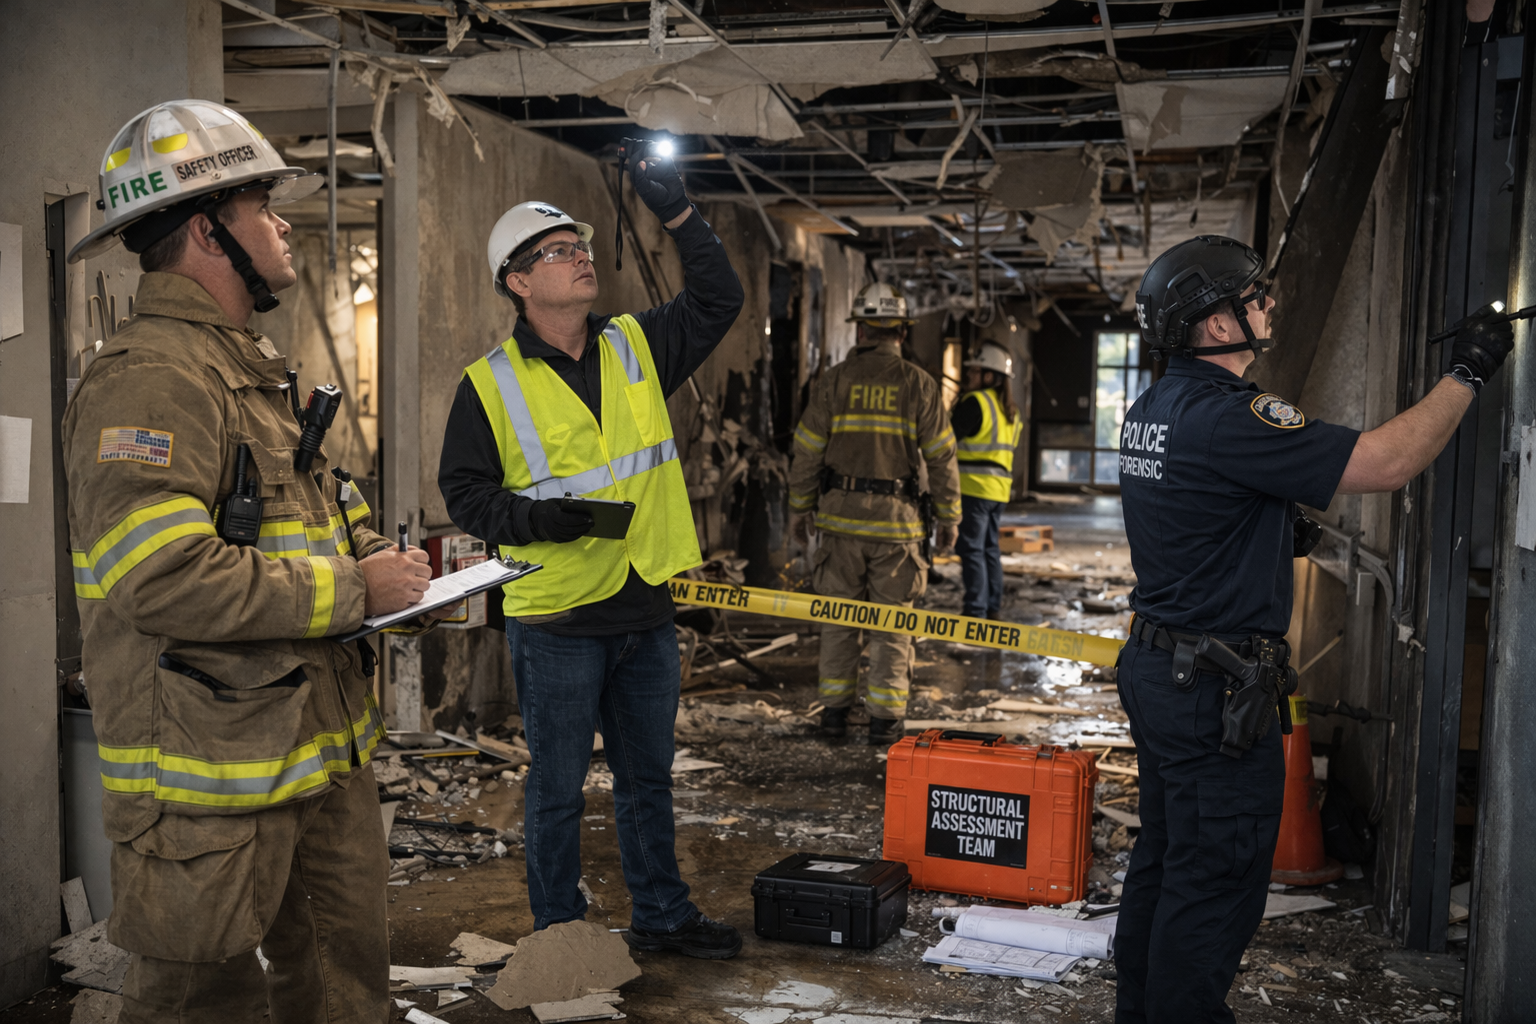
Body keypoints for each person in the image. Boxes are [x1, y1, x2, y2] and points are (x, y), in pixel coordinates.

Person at [61, 100, 443, 1024]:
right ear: (206, 231)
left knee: (346, 990)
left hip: (315, 753)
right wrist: (356, 590)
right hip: (209, 783)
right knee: (203, 1002)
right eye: (262, 207)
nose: (281, 226)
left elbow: (315, 501)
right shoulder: (150, 379)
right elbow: (164, 576)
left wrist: (365, 549)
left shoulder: (248, 367)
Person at [1114, 234, 1514, 1024]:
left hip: (1164, 670)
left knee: (1165, 865)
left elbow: (1198, 510)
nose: (1268, 306)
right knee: (1214, 885)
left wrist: (1263, 527)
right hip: (1212, 693)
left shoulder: (1155, 406)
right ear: (1217, 326)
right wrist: (1467, 373)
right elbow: (1383, 464)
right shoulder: (1232, 416)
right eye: (1254, 297)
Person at [436, 153, 745, 958]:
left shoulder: (638, 345)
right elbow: (465, 494)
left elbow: (721, 298)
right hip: (557, 617)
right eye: (558, 251)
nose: (581, 257)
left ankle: (663, 917)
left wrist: (678, 214)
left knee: (648, 781)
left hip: (644, 605)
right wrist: (541, 519)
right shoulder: (488, 385)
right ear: (518, 282)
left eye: (581, 246)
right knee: (558, 791)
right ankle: (560, 935)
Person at [787, 282, 963, 744]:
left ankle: (834, 716)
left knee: (838, 622)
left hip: (838, 525)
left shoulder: (833, 382)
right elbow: (943, 459)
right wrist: (950, 519)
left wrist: (798, 509)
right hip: (897, 529)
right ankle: (885, 724)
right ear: (901, 332)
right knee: (893, 626)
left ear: (861, 330)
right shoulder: (919, 385)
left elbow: (806, 453)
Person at [950, 342, 1024, 620]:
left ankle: (974, 611)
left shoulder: (975, 403)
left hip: (974, 490)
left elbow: (946, 441)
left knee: (971, 549)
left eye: (975, 371)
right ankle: (992, 608)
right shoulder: (1011, 412)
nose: (969, 375)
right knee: (989, 548)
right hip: (998, 493)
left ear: (990, 376)